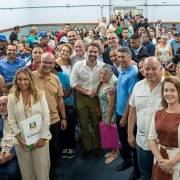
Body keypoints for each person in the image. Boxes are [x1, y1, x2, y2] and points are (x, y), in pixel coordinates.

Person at [8, 67, 51, 180]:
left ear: (30, 80)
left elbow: (46, 117)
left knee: (42, 173)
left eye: (25, 79)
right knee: (27, 174)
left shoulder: (40, 94)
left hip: (40, 139)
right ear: (16, 80)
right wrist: (19, 139)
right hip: (22, 141)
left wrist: (42, 137)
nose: (22, 82)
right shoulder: (12, 97)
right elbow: (11, 120)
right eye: (19, 79)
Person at [128, 57, 164, 180]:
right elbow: (132, 111)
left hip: (163, 142)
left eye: (154, 68)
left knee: (163, 174)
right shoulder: (138, 86)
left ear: (161, 69)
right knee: (146, 174)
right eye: (146, 68)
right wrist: (130, 133)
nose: (150, 72)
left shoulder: (170, 87)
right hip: (141, 140)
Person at [33, 53, 66, 180]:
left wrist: (63, 117)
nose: (47, 65)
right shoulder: (31, 77)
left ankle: (51, 171)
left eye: (50, 63)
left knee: (53, 147)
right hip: (36, 121)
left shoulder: (55, 78)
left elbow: (60, 99)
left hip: (53, 120)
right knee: (38, 149)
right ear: (39, 61)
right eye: (44, 62)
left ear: (54, 64)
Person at [70, 42, 105, 159]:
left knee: (96, 124)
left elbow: (112, 81)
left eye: (95, 52)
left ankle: (98, 147)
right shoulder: (78, 66)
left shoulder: (102, 66)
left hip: (95, 99)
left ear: (99, 53)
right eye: (90, 51)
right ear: (86, 52)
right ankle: (88, 147)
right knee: (83, 124)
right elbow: (73, 83)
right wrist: (86, 92)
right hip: (81, 98)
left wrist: (99, 90)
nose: (92, 54)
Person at [113, 47, 140, 180]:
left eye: (123, 57)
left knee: (132, 143)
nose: (120, 59)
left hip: (128, 115)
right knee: (124, 141)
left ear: (130, 57)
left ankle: (137, 169)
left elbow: (131, 98)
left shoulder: (133, 73)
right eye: (119, 57)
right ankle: (127, 161)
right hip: (120, 112)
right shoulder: (122, 69)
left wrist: (124, 117)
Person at [149, 76, 180, 180]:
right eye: (166, 90)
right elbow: (152, 139)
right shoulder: (158, 114)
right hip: (160, 159)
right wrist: (161, 161)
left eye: (172, 90)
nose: (168, 94)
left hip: (177, 162)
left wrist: (171, 162)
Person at [52, 63, 76, 159]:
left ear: (54, 65)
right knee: (59, 129)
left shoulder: (63, 75)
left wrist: (61, 96)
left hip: (67, 104)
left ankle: (71, 147)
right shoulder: (46, 77)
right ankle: (64, 147)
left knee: (69, 127)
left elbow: (70, 89)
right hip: (53, 106)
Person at [98, 64, 118, 163]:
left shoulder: (110, 87)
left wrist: (108, 118)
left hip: (110, 113)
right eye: (101, 73)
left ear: (110, 75)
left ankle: (115, 152)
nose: (102, 75)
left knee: (112, 132)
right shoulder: (102, 83)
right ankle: (113, 150)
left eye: (105, 74)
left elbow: (111, 105)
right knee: (109, 132)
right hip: (103, 111)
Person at [0, 96, 21, 180]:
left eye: (4, 104)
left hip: (15, 153)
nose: (1, 107)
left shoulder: (18, 119)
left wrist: (12, 153)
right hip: (1, 152)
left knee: (12, 173)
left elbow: (23, 138)